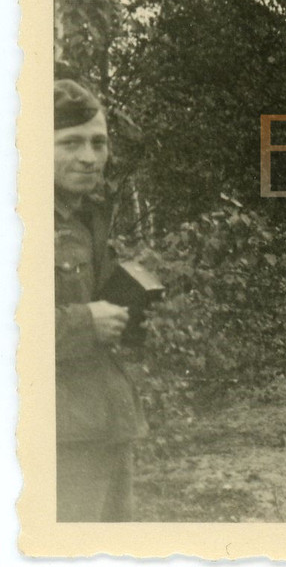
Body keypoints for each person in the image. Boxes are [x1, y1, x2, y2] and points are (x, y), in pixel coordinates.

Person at [54, 79, 147, 521]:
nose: (89, 157)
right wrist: (83, 323)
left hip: (105, 426)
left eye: (98, 142)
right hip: (53, 440)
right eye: (70, 143)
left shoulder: (87, 217)